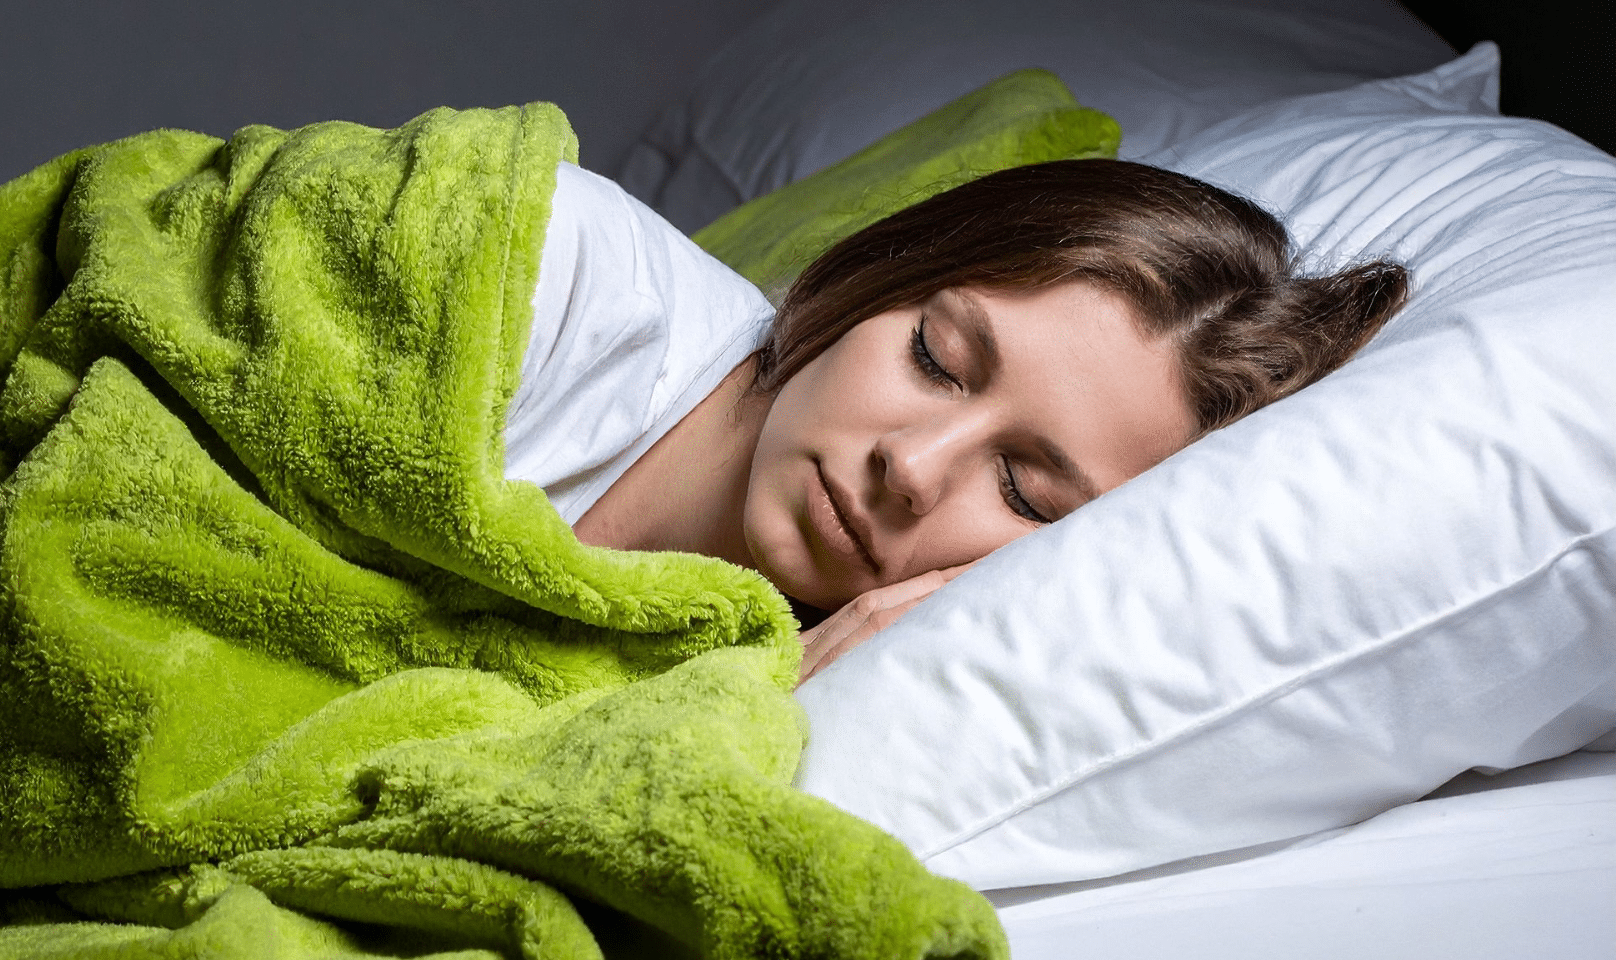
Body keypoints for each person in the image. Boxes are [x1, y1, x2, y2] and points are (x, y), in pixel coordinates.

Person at [556, 158, 1408, 679]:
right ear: (886, 277)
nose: (915, 467)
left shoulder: (767, 689)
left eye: (1024, 492)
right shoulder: (555, 269)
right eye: (936, 357)